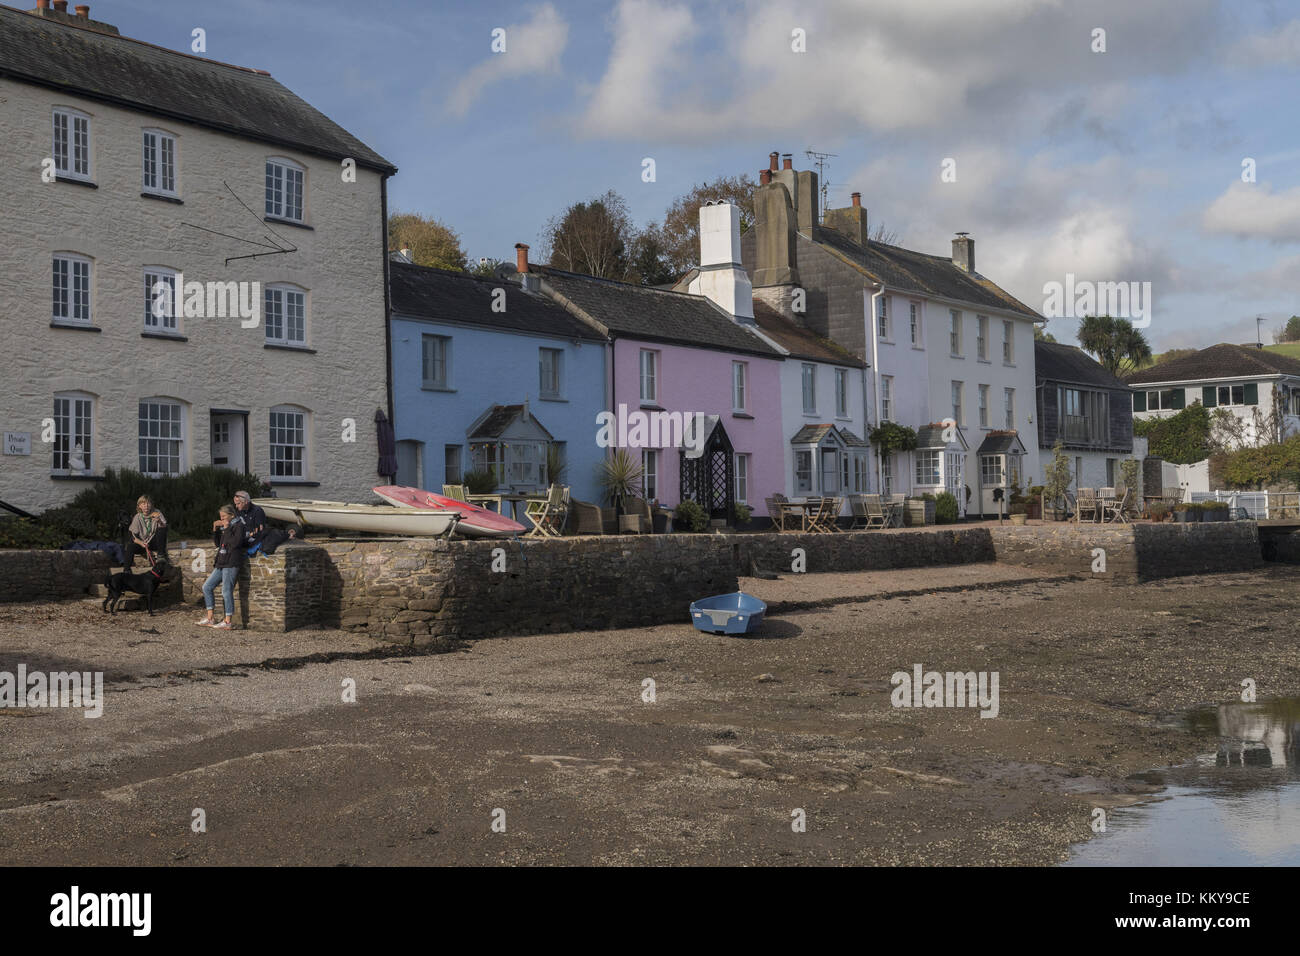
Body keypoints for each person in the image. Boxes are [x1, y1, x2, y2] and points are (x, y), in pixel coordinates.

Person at [197, 505, 247, 630]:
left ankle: (228, 621)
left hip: (231, 562)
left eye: (224, 516)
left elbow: (235, 543)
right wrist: (216, 529)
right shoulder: (228, 526)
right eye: (221, 517)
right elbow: (218, 544)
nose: (222, 518)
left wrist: (227, 528)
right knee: (207, 586)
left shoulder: (239, 525)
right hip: (221, 562)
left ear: (232, 515)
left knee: (226, 591)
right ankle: (210, 618)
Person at [127, 495, 168, 568]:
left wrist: (159, 522)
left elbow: (164, 528)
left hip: (155, 543)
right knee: (130, 546)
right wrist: (141, 543)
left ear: (151, 505)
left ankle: (161, 555)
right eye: (143, 504)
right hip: (142, 544)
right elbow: (132, 536)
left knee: (162, 528)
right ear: (139, 506)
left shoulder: (157, 512)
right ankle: (126, 569)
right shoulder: (137, 517)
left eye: (148, 503)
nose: (146, 506)